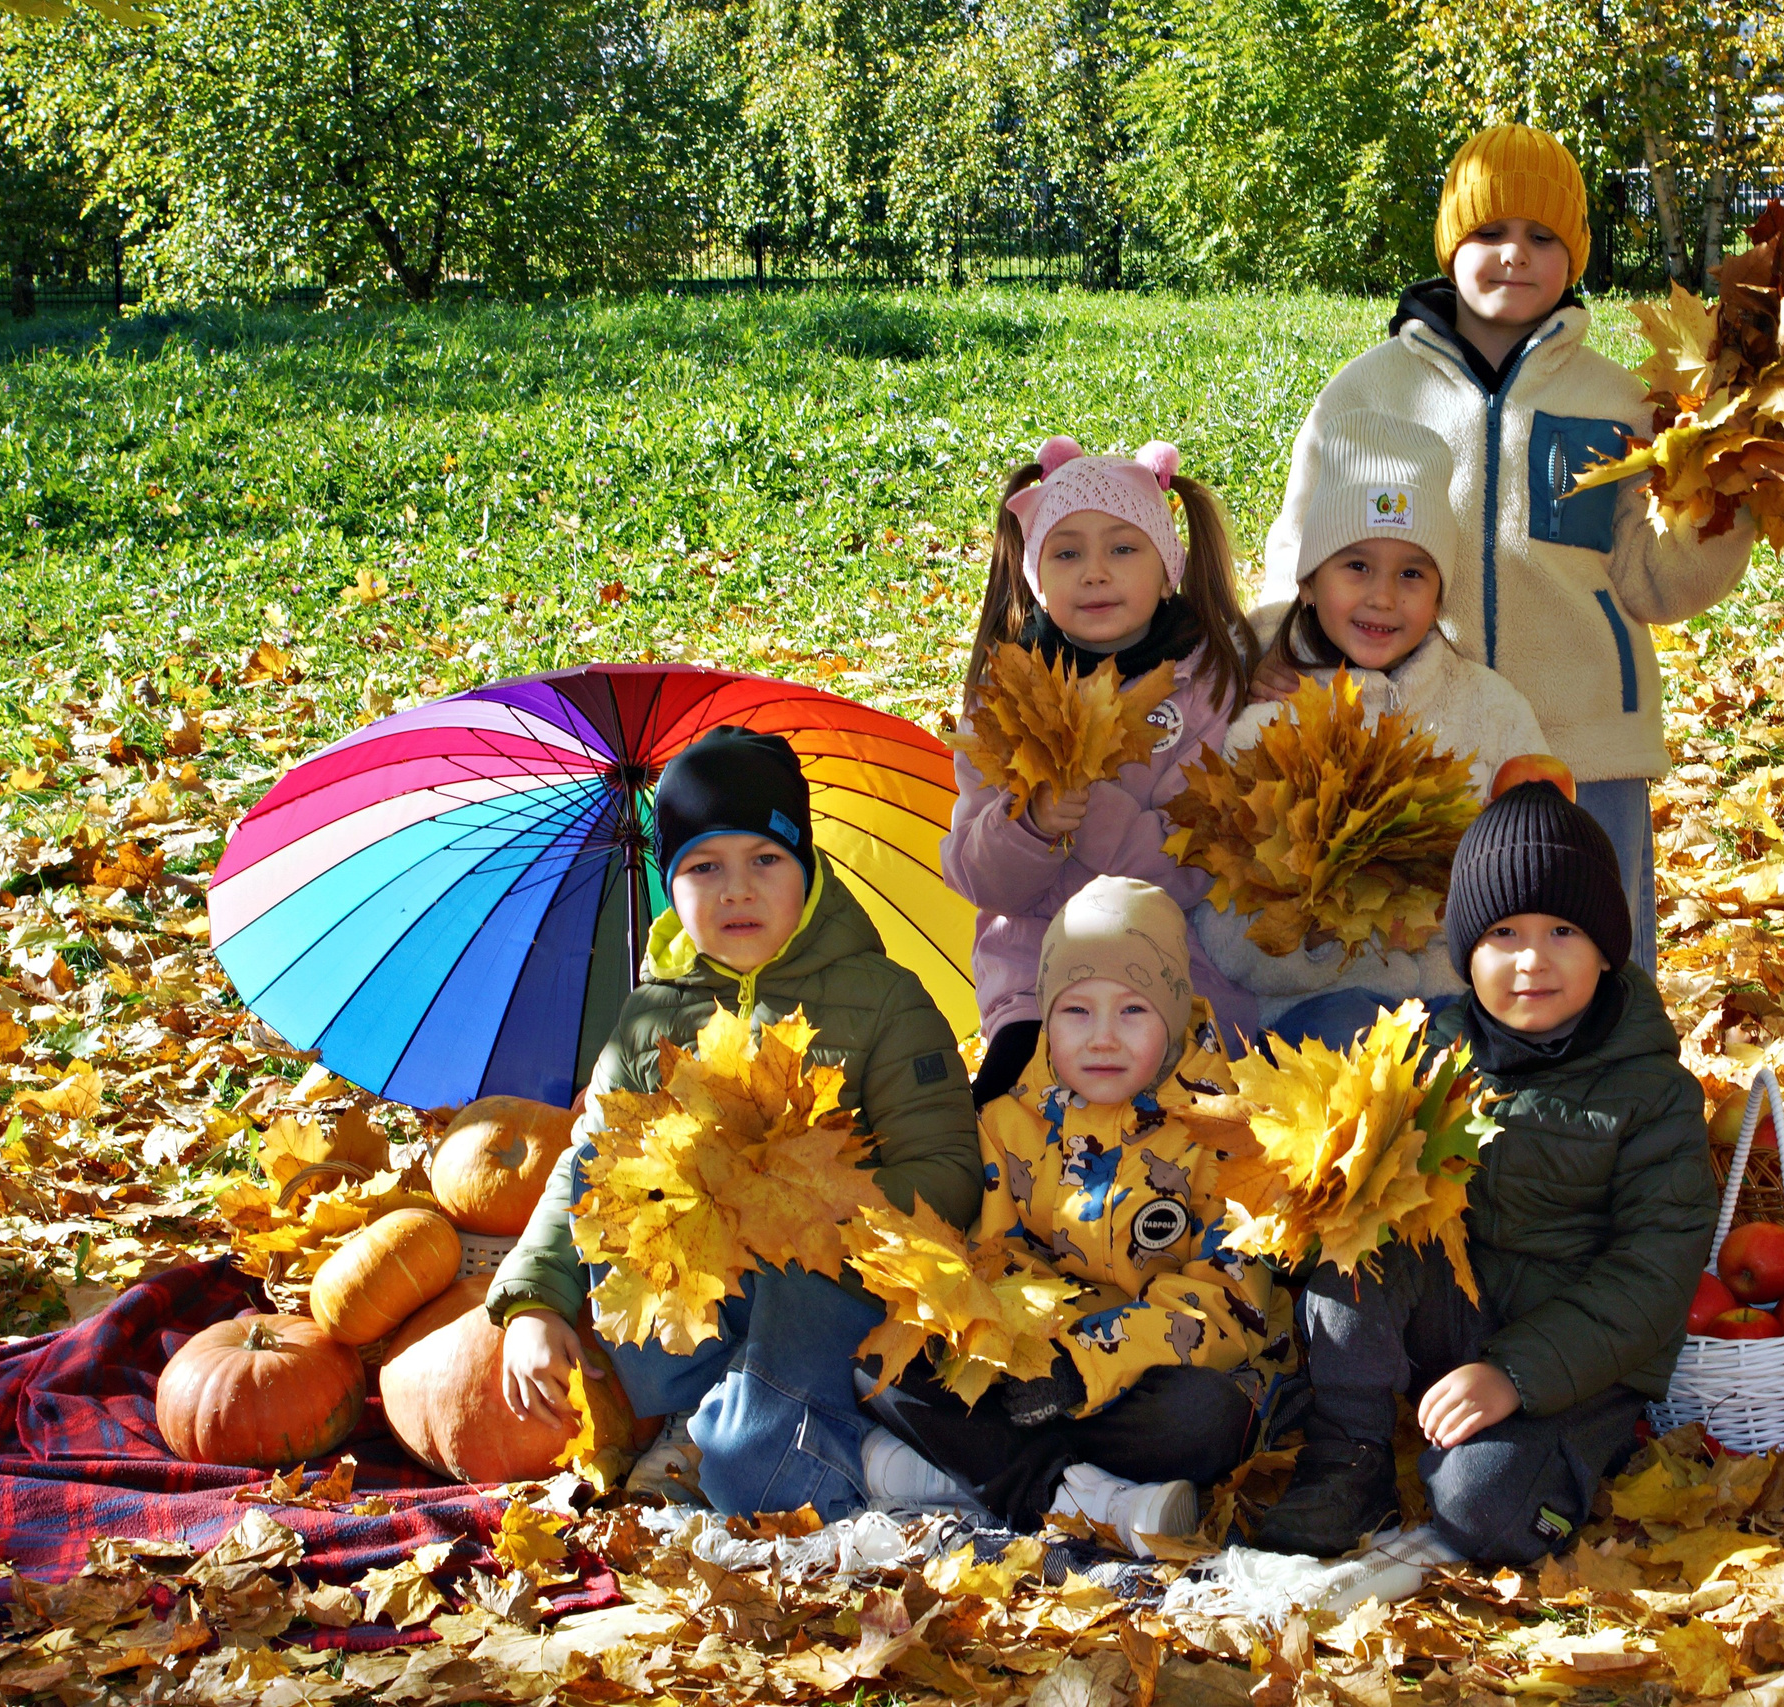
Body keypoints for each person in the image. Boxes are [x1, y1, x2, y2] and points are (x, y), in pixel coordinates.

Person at [1258, 123, 1760, 974]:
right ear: (1452, 244)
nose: (1513, 255)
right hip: (1417, 745)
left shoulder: (1622, 401)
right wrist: (1273, 643)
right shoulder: (1371, 389)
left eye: (1542, 237)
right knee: (1430, 962)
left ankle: (1609, 1101)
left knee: (1594, 960)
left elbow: (1649, 577)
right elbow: (1302, 540)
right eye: (1488, 232)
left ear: (1576, 257)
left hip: (1586, 745)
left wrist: (1730, 500)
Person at [490, 727, 981, 1520]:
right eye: (703, 867)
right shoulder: (649, 1019)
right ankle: (732, 1422)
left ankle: (770, 1452)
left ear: (808, 868)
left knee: (789, 1325)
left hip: (838, 1292)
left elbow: (949, 1168)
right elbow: (585, 1166)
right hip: (706, 1308)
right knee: (624, 1206)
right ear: (668, 884)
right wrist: (533, 1303)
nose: (736, 890)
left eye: (766, 859)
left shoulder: (884, 999)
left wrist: (809, 1203)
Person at [1250, 780, 1716, 1566]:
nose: (1532, 960)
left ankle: (1537, 1465)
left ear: (1607, 946)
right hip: (1454, 1310)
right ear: (1467, 951)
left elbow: (1650, 1276)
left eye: (1563, 929)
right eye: (1503, 932)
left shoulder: (1653, 1093)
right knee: (1353, 1243)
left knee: (1481, 1509)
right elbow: (1362, 1187)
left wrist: (1512, 1374)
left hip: (1574, 1361)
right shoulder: (1430, 1052)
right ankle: (1349, 1455)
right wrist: (1302, 1205)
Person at [859, 877, 1293, 1554]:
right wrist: (1021, 1346)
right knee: (881, 1359)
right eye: (1076, 1011)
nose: (1102, 1038)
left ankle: (971, 1471)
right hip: (1038, 1367)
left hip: (1152, 1373)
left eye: (1132, 1011)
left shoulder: (1227, 1128)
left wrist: (1082, 1365)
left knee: (1205, 1418)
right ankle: (1076, 1495)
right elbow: (995, 1256)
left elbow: (1229, 1301)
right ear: (1047, 1015)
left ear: (1175, 1012)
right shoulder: (1008, 1117)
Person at [1197, 412, 1546, 1049]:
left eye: (1412, 573)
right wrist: (1332, 945)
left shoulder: (1493, 714)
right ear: (1307, 582)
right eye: (1356, 566)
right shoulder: (1264, 721)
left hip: (1465, 999)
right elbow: (1224, 920)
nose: (1383, 598)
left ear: (1441, 593)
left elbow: (1537, 872)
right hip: (1314, 1007)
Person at [946, 436, 1261, 1107]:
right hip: (1037, 980)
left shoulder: (1208, 688)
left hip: (1177, 974)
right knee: (1004, 1123)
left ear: (1167, 568)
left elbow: (1196, 862)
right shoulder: (1004, 695)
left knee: (1205, 1147)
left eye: (1123, 548)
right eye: (1067, 553)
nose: (1095, 572)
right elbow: (977, 878)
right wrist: (1029, 826)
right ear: (1036, 575)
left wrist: (1093, 810)